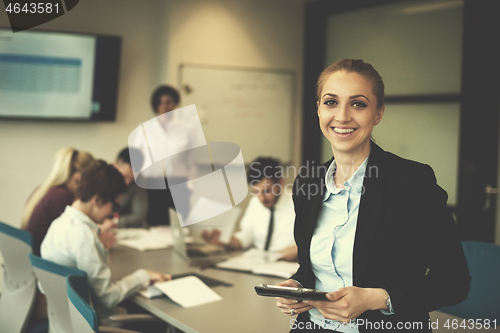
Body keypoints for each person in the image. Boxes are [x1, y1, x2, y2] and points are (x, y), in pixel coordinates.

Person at [275, 59, 470, 332]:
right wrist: (297, 286)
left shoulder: (411, 183)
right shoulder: (308, 182)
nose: (342, 116)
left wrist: (376, 298)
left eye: (358, 104)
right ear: (318, 109)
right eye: (331, 102)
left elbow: (454, 282)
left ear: (378, 113)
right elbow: (312, 269)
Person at [41, 160, 171, 331]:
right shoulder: (84, 237)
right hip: (99, 325)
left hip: (66, 324)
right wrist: (144, 274)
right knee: (165, 324)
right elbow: (109, 297)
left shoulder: (58, 225)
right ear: (97, 200)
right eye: (114, 205)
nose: (113, 213)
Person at [202, 157, 297, 261]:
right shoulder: (255, 202)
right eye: (256, 192)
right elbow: (247, 236)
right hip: (259, 264)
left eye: (266, 191)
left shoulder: (299, 204)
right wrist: (224, 241)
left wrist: (299, 250)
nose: (261, 199)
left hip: (288, 267)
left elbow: (316, 243)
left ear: (281, 182)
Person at [131, 85, 196, 225]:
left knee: (179, 225)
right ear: (155, 105)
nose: (164, 107)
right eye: (160, 103)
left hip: (178, 183)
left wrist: (190, 186)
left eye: (169, 102)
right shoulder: (144, 128)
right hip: (151, 185)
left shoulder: (187, 129)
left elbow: (192, 163)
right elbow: (135, 160)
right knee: (153, 225)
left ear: (175, 104)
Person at [22, 147, 95, 255]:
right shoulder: (63, 197)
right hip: (44, 263)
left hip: (34, 260)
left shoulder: (42, 190)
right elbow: (80, 239)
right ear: (78, 178)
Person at [107, 147, 148, 228]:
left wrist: (115, 222)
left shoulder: (137, 182)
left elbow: (139, 216)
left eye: (131, 178)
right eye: (124, 177)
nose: (127, 183)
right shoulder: (102, 180)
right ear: (115, 165)